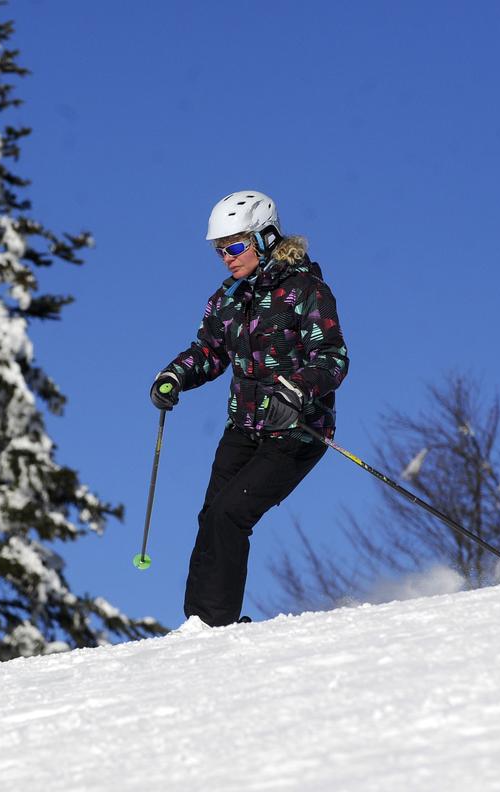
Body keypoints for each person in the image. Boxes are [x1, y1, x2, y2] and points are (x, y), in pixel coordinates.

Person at [149, 190, 349, 627]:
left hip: (296, 430)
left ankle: (216, 626)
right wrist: (174, 376)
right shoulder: (228, 298)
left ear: (266, 238)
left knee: (230, 514)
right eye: (220, 249)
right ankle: (198, 625)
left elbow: (332, 357)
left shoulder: (306, 291)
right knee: (210, 517)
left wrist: (296, 393)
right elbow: (210, 351)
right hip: (243, 427)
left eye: (235, 246)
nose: (226, 257)